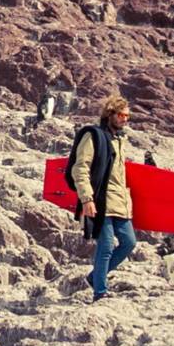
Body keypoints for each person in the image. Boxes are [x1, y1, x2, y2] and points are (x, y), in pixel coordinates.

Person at [70, 94, 138, 302]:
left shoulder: (120, 140)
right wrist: (87, 199)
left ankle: (95, 276)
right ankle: (100, 292)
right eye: (121, 115)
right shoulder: (94, 136)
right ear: (110, 114)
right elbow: (80, 168)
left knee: (128, 243)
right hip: (100, 200)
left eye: (128, 116)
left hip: (120, 201)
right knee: (106, 245)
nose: (125, 119)